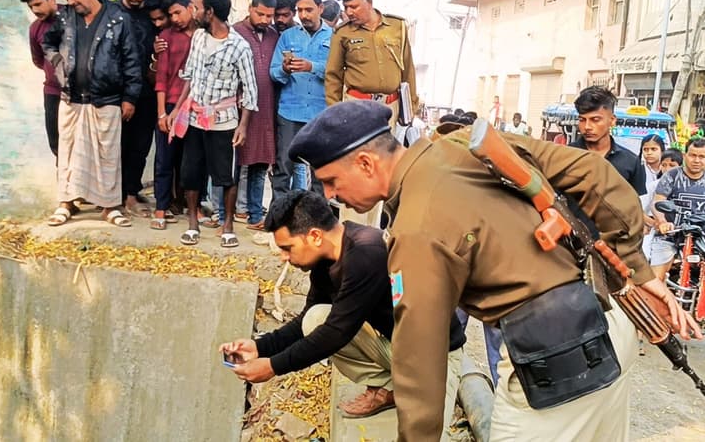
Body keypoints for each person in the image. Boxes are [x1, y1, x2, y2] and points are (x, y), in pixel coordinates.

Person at [287, 100, 701, 441]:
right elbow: (595, 175)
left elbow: (419, 358)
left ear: (365, 163)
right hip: (611, 322)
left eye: (330, 180)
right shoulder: (463, 142)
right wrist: (635, 269)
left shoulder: (415, 230)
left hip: (557, 364)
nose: (331, 195)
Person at [219, 190, 466, 420]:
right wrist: (259, 348)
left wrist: (273, 366)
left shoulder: (366, 253)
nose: (283, 257)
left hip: (435, 360)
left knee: (426, 433)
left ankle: (413, 389)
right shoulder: (325, 259)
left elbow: (336, 333)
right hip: (398, 348)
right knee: (315, 317)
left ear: (315, 236)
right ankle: (388, 388)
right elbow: (308, 321)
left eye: (287, 248)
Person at [42, 0, 141, 227]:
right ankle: (66, 203)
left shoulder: (118, 18)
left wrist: (130, 97)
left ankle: (109, 207)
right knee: (68, 152)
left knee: (107, 155)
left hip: (107, 98)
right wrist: (58, 62)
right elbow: (47, 42)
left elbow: (132, 60)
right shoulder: (65, 17)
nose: (71, 1)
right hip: (71, 98)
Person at [167, 0, 258, 248]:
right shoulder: (198, 38)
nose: (193, 11)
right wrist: (177, 109)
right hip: (195, 118)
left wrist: (243, 126)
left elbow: (250, 89)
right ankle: (192, 224)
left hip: (224, 121)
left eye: (196, 7)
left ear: (210, 12)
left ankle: (227, 225)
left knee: (225, 176)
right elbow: (190, 77)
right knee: (191, 173)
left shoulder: (239, 47)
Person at [269, 0, 332, 203]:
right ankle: (279, 214)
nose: (303, 15)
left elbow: (338, 73)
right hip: (290, 111)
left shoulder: (334, 37)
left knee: (320, 171)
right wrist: (284, 69)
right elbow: (273, 72)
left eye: (308, 10)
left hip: (320, 114)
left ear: (320, 8)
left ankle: (316, 215)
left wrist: (311, 66)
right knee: (283, 167)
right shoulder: (288, 37)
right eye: (300, 10)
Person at [325, 0, 418, 120]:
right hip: (356, 107)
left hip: (391, 107)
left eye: (354, 7)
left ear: (369, 1)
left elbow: (408, 70)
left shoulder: (397, 27)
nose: (349, 12)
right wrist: (336, 113)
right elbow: (333, 76)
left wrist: (412, 107)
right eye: (346, 7)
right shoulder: (342, 33)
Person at [150, 0, 197, 230]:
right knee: (164, 159)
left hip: (196, 106)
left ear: (190, 7)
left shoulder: (203, 34)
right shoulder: (166, 37)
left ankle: (193, 207)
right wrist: (162, 113)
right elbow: (161, 77)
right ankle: (161, 207)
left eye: (178, 12)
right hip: (170, 104)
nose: (175, 18)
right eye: (171, 15)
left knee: (192, 160)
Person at [233, 0, 280, 231]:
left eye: (269, 16)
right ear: (250, 8)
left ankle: (254, 213)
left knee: (261, 162)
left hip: (266, 107)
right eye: (260, 14)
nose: (264, 20)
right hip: (239, 109)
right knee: (239, 162)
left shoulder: (274, 36)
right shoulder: (235, 32)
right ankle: (232, 210)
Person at [119, 0, 158, 218]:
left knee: (140, 146)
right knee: (118, 146)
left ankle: (132, 193)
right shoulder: (113, 13)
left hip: (149, 92)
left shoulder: (153, 14)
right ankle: (118, 195)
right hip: (119, 93)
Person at [569, 87, 646, 195]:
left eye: (595, 120)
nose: (587, 127)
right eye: (582, 120)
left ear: (612, 120)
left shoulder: (631, 162)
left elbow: (638, 201)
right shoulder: (567, 155)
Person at [650, 138, 705, 281]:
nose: (697, 160)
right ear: (685, 155)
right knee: (656, 277)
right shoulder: (672, 175)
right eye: (693, 155)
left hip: (701, 238)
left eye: (702, 156)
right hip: (671, 235)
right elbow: (658, 201)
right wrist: (662, 222)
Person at [19, 0, 62, 159]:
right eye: (31, 7)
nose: (35, 10)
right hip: (53, 92)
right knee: (56, 144)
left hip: (80, 94)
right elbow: (38, 60)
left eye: (38, 4)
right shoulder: (35, 28)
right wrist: (53, 73)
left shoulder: (72, 18)